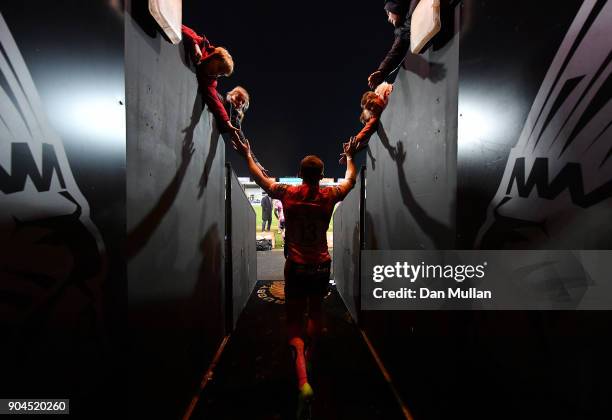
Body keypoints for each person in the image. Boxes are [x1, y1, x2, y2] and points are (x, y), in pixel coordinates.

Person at [232, 135, 359, 417]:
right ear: (322, 176)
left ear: (300, 175)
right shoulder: (329, 195)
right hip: (321, 266)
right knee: (315, 314)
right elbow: (350, 180)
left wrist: (247, 153)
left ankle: (302, 381)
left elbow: (261, 180)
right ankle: (310, 360)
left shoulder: (288, 193)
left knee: (293, 323)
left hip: (297, 266)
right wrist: (350, 157)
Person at [181, 24, 240, 143]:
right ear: (215, 57)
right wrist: (195, 44)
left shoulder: (210, 81)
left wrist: (227, 124)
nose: (217, 74)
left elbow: (215, 102)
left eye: (221, 74)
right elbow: (181, 28)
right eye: (219, 69)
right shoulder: (202, 44)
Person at [339, 82, 393, 164]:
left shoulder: (387, 91)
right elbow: (367, 129)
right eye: (369, 108)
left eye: (371, 104)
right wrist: (351, 148)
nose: (372, 108)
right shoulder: (375, 115)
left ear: (376, 96)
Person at [224, 86, 270, 177]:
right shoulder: (228, 102)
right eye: (238, 99)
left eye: (242, 102)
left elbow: (243, 140)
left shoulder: (235, 118)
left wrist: (258, 164)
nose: (240, 103)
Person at [368, 0, 412, 89]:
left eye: (388, 14)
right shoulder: (403, 29)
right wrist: (382, 71)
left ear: (395, 6)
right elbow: (395, 52)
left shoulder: (413, 7)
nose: (388, 19)